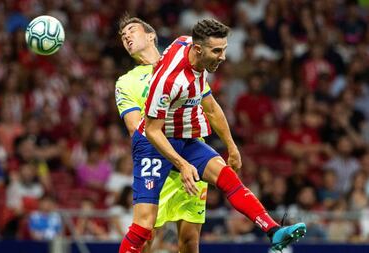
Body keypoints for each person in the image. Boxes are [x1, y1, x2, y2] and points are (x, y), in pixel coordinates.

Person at [119, 18, 307, 253]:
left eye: (223, 50)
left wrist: (232, 146)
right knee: (144, 228)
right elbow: (151, 129)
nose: (223, 57)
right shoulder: (167, 82)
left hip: (186, 139)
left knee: (226, 178)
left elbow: (210, 107)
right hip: (152, 143)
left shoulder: (186, 45)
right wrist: (182, 164)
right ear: (199, 50)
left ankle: (274, 230)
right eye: (217, 51)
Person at [115, 15, 209, 253]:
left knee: (189, 242)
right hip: (158, 162)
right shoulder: (126, 82)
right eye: (123, 35)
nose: (126, 36)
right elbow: (136, 127)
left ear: (151, 35)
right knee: (145, 237)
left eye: (132, 30)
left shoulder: (184, 63)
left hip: (191, 156)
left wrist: (229, 145)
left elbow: (210, 107)